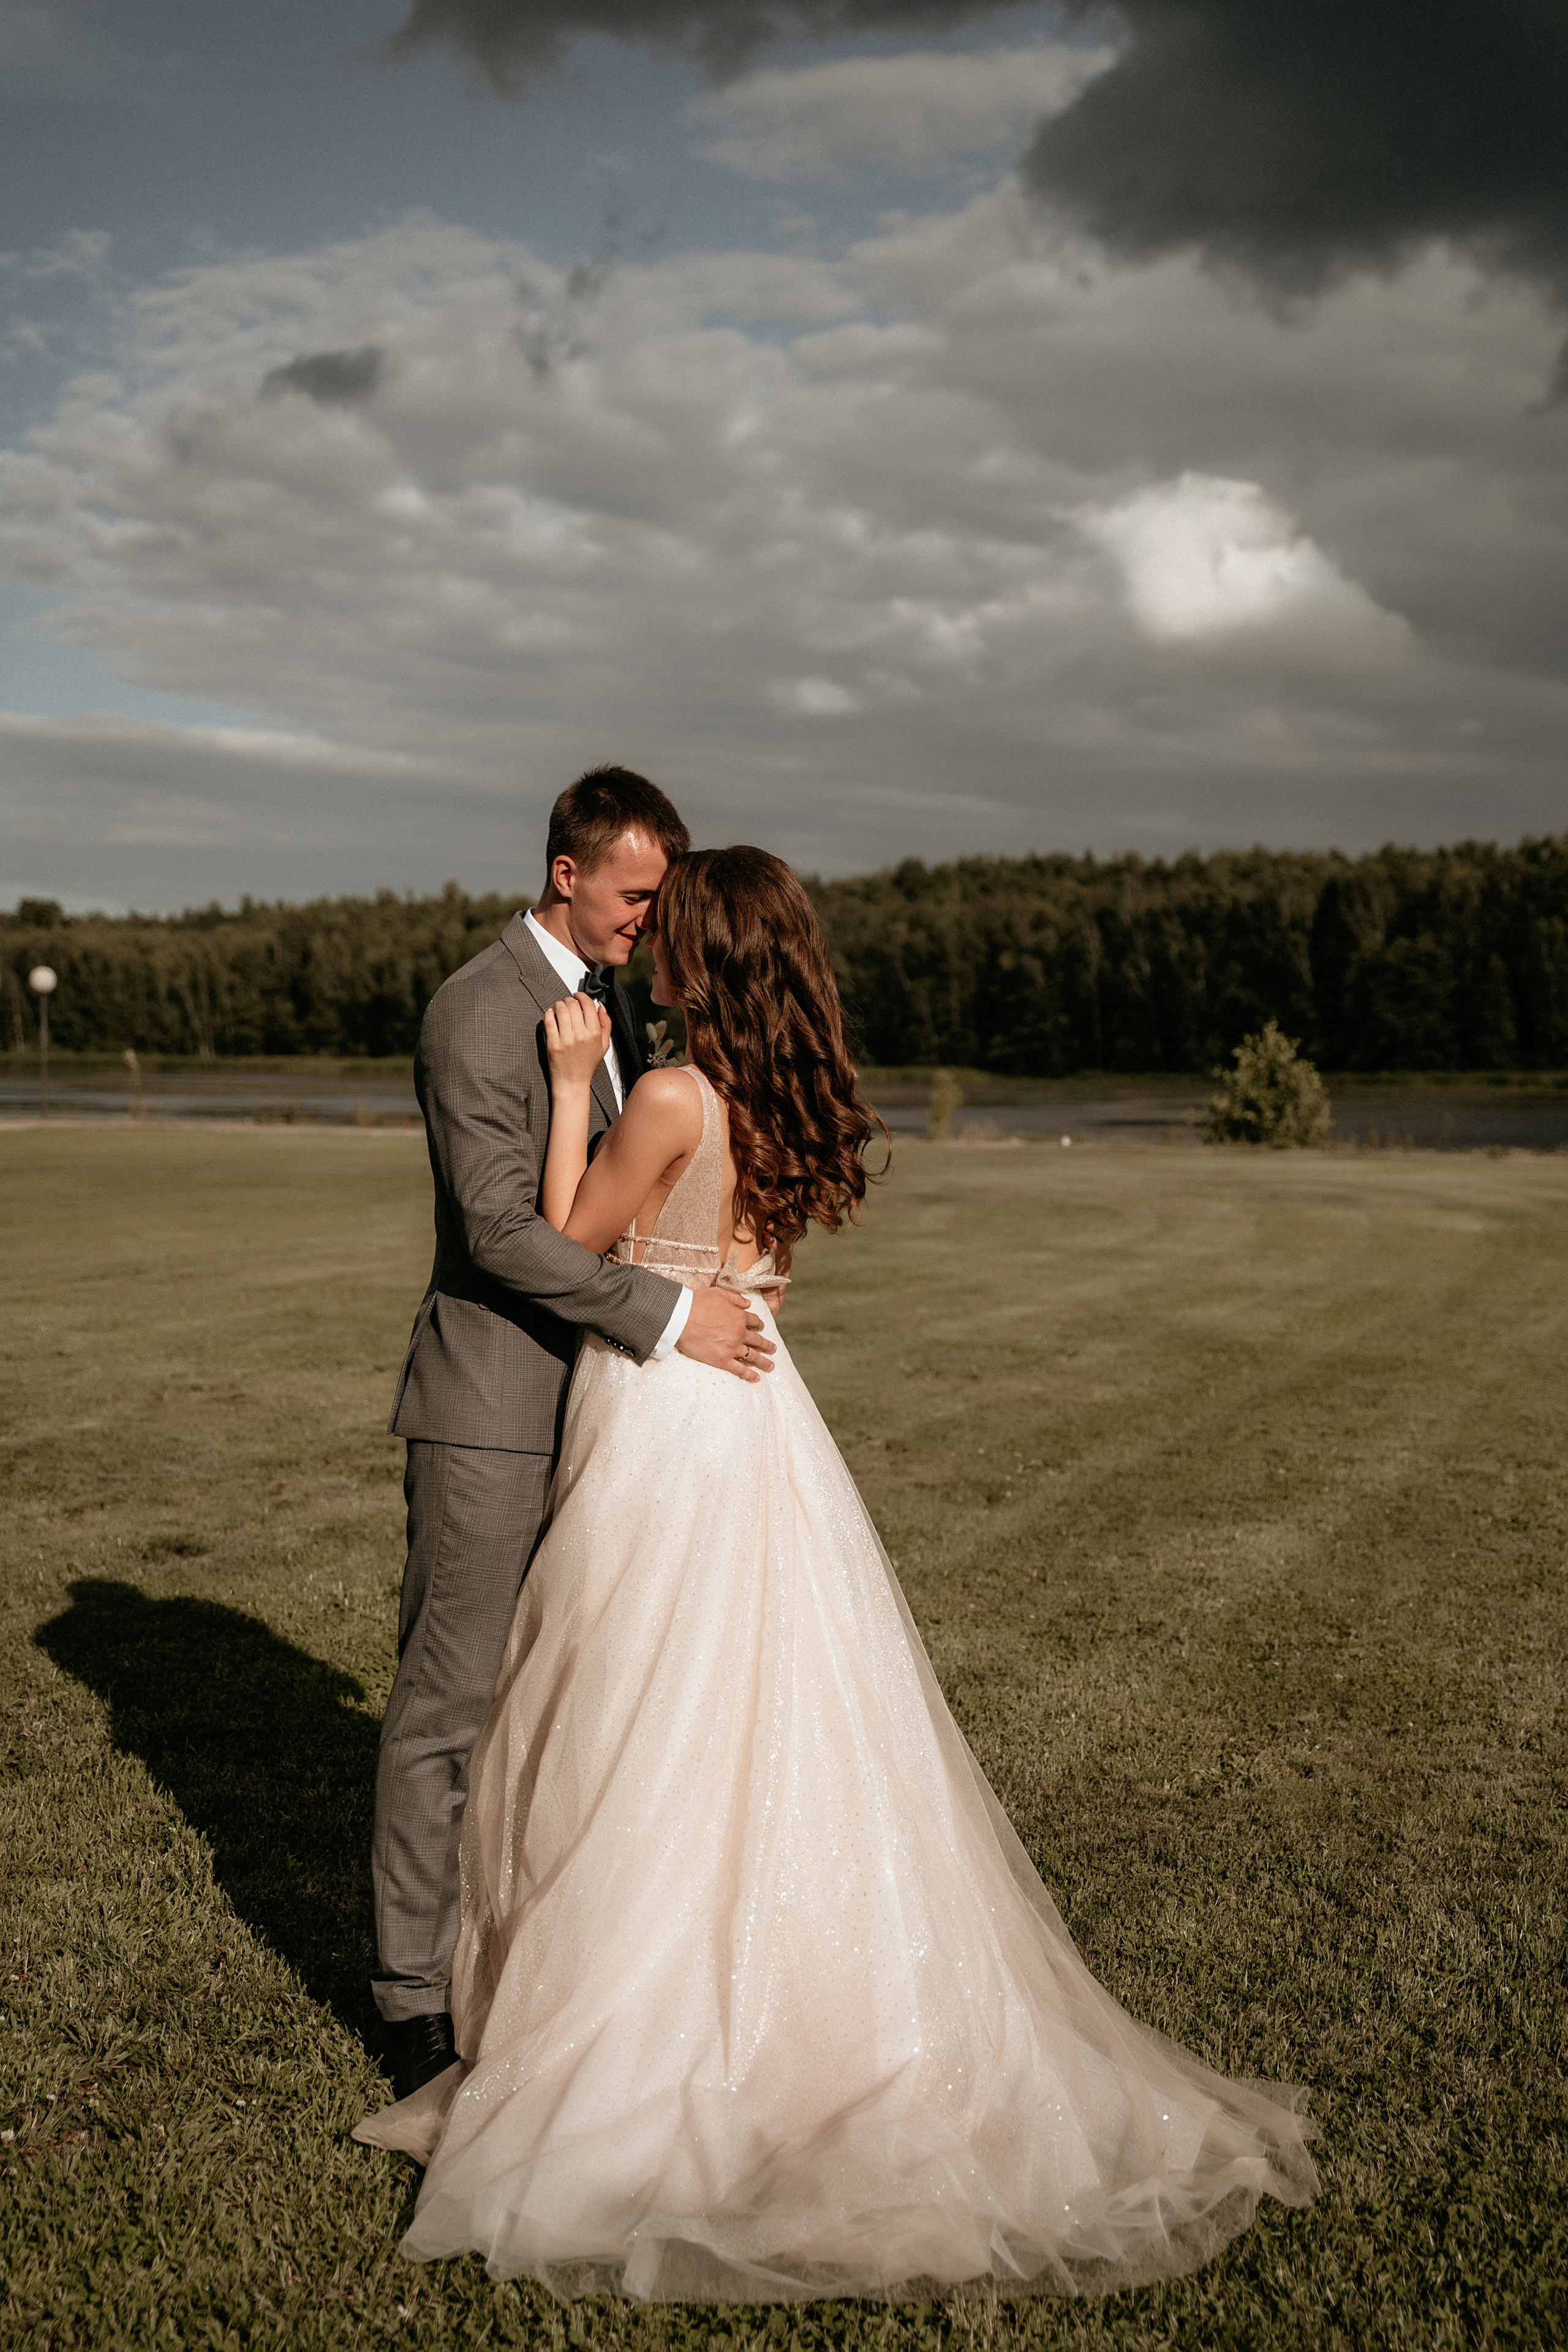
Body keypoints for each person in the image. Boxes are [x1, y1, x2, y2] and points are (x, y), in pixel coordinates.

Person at [356, 847, 1318, 2301]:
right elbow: (744, 1267)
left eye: (667, 930)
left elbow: (557, 1242)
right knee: (767, 1710)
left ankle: (635, 2016)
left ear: (702, 958)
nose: (646, 944)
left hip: (670, 1423)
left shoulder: (671, 1094)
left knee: (640, 1717)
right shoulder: (789, 1101)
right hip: (760, 1414)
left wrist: (570, 1091)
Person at [371, 773, 774, 2102]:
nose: (651, 923)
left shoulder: (621, 1007)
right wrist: (670, 1316)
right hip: (493, 1412)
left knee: (576, 1713)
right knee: (450, 1711)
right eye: (635, 895)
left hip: (617, 1431)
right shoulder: (476, 1008)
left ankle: (537, 1970)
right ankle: (410, 2007)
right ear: (564, 872)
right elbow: (499, 1235)